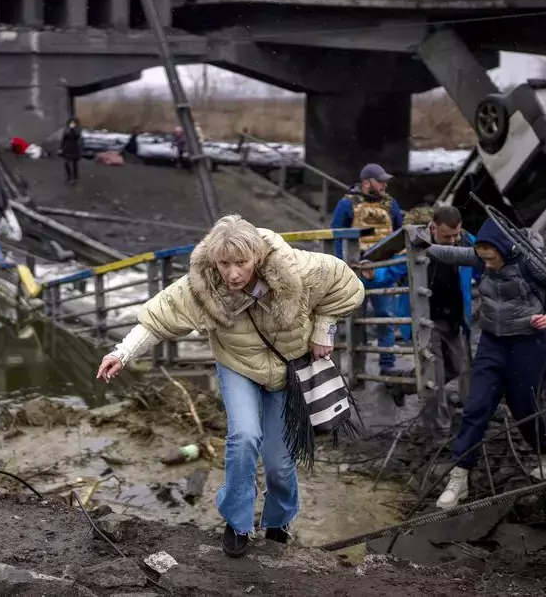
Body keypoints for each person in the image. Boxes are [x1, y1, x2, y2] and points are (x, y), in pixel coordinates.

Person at [96, 215, 364, 558]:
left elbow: (347, 284)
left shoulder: (297, 267)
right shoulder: (202, 283)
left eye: (241, 263)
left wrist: (323, 329)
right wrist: (122, 352)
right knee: (244, 438)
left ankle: (278, 521)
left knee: (279, 462)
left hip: (287, 371)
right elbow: (160, 315)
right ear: (214, 260)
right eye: (224, 264)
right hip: (238, 366)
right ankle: (237, 522)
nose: (233, 273)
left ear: (258, 257)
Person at [421, 218, 546, 510]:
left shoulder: (532, 262)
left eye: (492, 260)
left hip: (528, 343)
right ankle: (459, 478)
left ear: (506, 248)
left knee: (524, 407)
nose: (486, 266)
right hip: (492, 343)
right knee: (476, 407)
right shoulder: (481, 256)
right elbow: (446, 253)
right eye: (483, 259)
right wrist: (419, 241)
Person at [360, 206, 478, 431]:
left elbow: (485, 261)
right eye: (447, 236)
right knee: (435, 375)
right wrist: (373, 275)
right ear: (433, 227)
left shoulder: (467, 242)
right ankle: (437, 431)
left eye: (456, 235)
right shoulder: (417, 244)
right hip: (426, 321)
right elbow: (393, 269)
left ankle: (402, 386)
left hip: (454, 318)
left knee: (458, 367)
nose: (452, 241)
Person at [331, 163, 406, 375]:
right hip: (357, 268)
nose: (384, 184)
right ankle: (357, 368)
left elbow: (400, 232)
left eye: (384, 181)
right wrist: (341, 264)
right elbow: (336, 234)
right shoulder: (347, 203)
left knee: (385, 316)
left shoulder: (391, 204)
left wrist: (398, 265)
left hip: (383, 268)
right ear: (366, 183)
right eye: (380, 181)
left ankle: (387, 365)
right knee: (356, 319)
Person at [59, 118, 83, 183]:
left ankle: (75, 177)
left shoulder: (78, 130)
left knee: (74, 164)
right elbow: (63, 139)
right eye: (71, 123)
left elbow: (77, 136)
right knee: (66, 163)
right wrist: (61, 148)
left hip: (75, 149)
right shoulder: (66, 130)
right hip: (67, 148)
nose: (72, 124)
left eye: (73, 123)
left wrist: (72, 129)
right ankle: (69, 176)